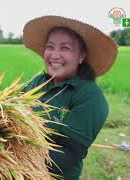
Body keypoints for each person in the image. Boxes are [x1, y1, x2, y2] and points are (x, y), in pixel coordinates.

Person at [22, 15, 118, 179]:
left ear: (81, 56)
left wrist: (9, 152)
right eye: (50, 47)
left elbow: (67, 156)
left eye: (65, 48)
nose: (54, 55)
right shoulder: (37, 82)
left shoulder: (90, 97)